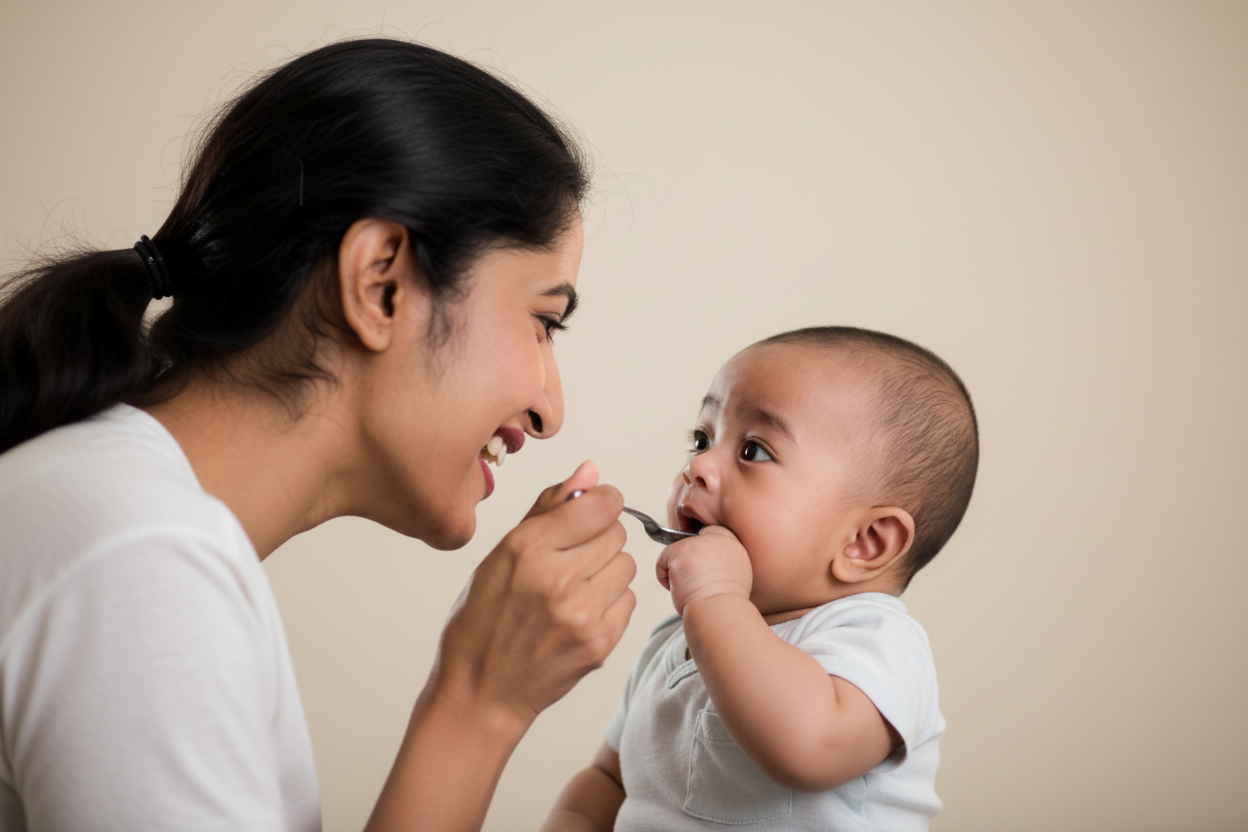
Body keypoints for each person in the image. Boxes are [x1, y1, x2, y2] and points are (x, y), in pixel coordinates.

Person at [0, 38, 638, 831]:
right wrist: (479, 704)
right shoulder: (140, 558)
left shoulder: (124, 521)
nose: (551, 410)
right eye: (543, 322)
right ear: (382, 282)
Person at [542, 326, 979, 831]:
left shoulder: (876, 642)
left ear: (865, 543)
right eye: (702, 439)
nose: (698, 465)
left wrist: (715, 597)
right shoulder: (673, 641)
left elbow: (808, 747)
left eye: (754, 450)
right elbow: (609, 778)